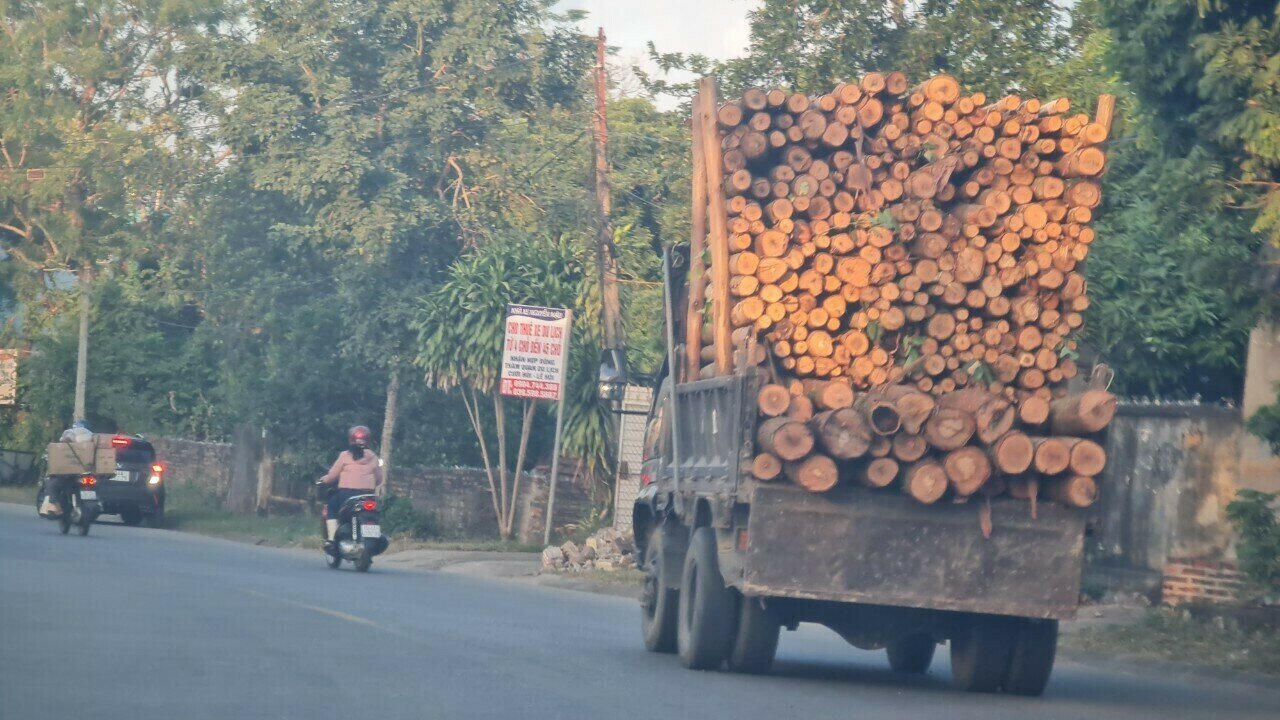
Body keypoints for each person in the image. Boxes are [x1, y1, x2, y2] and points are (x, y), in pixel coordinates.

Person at [319, 425, 384, 548]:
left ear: (351, 440)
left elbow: (333, 475)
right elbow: (379, 479)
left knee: (331, 506)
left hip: (347, 495)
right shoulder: (374, 457)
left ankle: (332, 539)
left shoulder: (345, 456)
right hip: (368, 496)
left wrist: (324, 480)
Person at [39, 420, 94, 516]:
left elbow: (61, 445)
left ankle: (57, 507)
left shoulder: (69, 435)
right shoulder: (91, 438)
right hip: (86, 472)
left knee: (51, 485)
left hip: (68, 474)